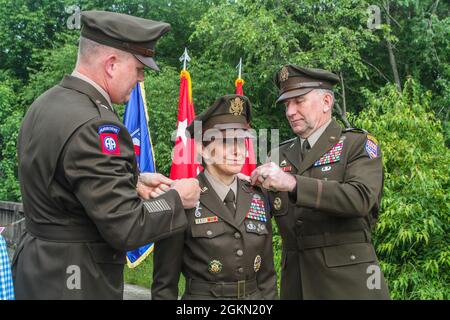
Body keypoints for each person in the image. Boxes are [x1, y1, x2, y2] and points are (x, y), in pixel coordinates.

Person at [12, 10, 200, 300]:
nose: (140, 80)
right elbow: (126, 227)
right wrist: (177, 199)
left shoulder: (46, 103)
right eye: (139, 69)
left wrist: (133, 180)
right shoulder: (97, 125)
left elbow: (63, 180)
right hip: (76, 280)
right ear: (111, 64)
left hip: (39, 267)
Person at [251, 64, 390, 299]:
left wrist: (293, 183)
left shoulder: (357, 144)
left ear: (326, 102)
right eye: (287, 104)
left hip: (349, 285)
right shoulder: (278, 155)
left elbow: (360, 198)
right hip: (296, 285)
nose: (290, 112)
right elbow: (256, 213)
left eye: (299, 101)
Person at [152, 95, 277, 300]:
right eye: (227, 141)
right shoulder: (183, 198)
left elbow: (267, 278)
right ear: (203, 149)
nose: (238, 151)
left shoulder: (258, 196)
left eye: (242, 141)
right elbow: (164, 285)